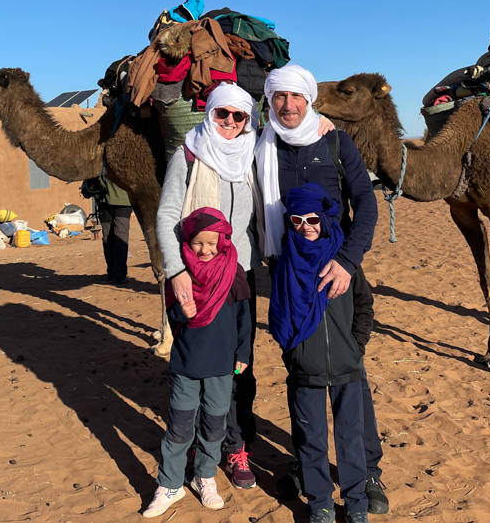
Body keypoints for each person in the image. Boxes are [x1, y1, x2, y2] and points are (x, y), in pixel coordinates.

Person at [254, 64, 390, 514]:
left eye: (296, 97)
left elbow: (366, 202)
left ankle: (366, 472)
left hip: (339, 269)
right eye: (280, 98)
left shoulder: (333, 141)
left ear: (309, 100)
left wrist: (349, 261)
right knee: (305, 370)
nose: (289, 106)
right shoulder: (260, 147)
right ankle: (312, 473)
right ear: (270, 101)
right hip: (289, 274)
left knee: (351, 367)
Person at [156, 82, 265, 489]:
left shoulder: (252, 154)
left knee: (240, 362)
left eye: (240, 116)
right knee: (195, 359)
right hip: (196, 273)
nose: (231, 123)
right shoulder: (188, 155)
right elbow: (168, 215)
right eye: (224, 114)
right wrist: (175, 270)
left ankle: (235, 448)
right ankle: (189, 452)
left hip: (240, 274)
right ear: (210, 114)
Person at [142, 207, 251, 518]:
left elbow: (245, 320)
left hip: (221, 365)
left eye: (211, 243)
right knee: (178, 428)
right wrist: (181, 312)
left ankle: (205, 476)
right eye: (197, 244)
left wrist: (243, 354)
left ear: (223, 240)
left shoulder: (234, 273)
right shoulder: (180, 278)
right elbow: (172, 316)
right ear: (186, 244)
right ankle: (170, 484)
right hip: (186, 365)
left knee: (214, 427)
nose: (205, 250)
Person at [269, 183, 367, 523]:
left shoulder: (344, 261)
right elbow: (278, 318)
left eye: (312, 219)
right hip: (304, 368)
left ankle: (356, 504)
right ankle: (321, 503)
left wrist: (356, 346)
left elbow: (364, 305)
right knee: (311, 440)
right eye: (297, 220)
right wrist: (294, 354)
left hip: (347, 365)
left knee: (350, 439)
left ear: (323, 218)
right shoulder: (285, 265)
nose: (306, 226)